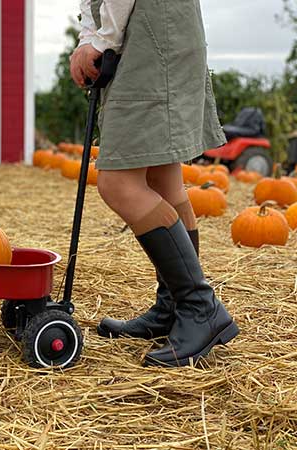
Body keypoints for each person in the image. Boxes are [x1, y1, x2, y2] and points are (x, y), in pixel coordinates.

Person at [69, 0, 239, 367]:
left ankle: (199, 306)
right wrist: (90, 36)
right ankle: (175, 307)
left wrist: (101, 41)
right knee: (162, 178)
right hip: (157, 31)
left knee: (118, 183)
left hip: (152, 36)